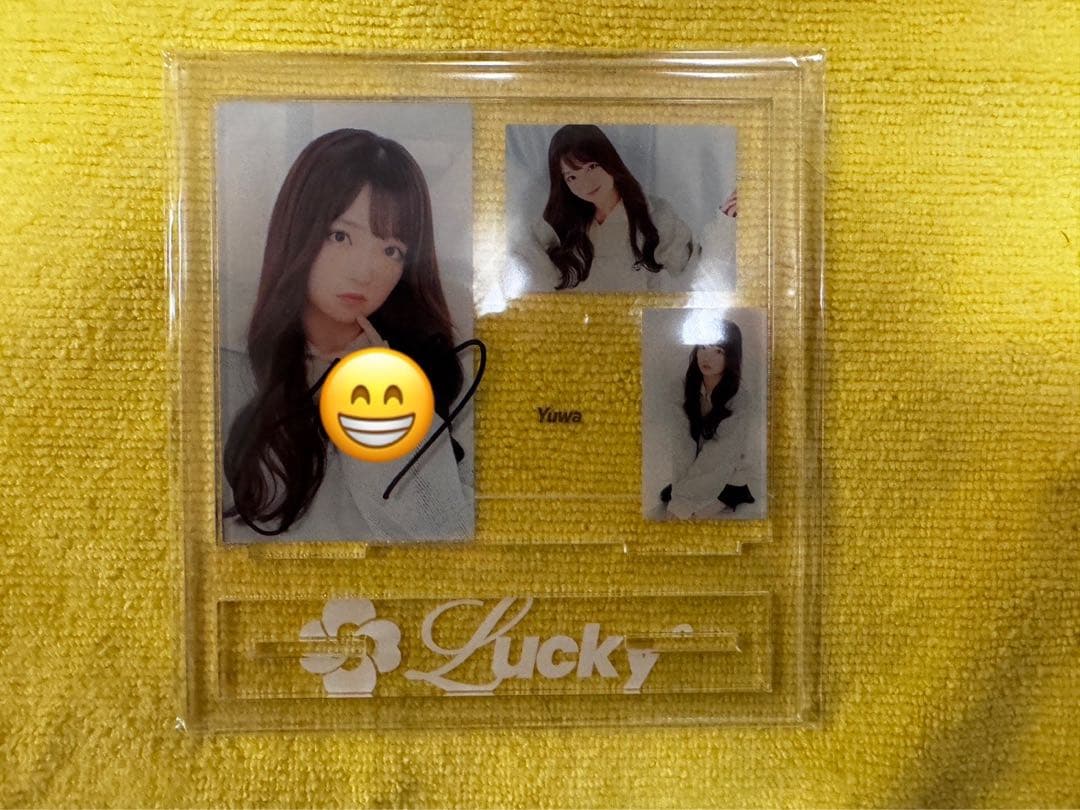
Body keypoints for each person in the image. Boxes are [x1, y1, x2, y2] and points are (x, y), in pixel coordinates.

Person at [220, 128, 472, 542]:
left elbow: (445, 535)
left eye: (391, 250)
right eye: (340, 236)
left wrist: (380, 391)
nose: (364, 272)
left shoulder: (443, 370)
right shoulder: (224, 366)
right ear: (298, 231)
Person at [514, 125, 697, 292]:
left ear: (608, 160)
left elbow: (691, 276)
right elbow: (525, 268)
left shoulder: (657, 215)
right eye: (572, 177)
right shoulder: (558, 225)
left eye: (592, 167)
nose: (586, 184)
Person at [661, 320, 764, 519]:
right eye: (703, 347)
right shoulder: (681, 388)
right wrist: (681, 494)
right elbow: (681, 444)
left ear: (731, 356)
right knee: (676, 507)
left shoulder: (740, 398)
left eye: (718, 351)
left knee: (694, 517)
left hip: (728, 469)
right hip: (697, 469)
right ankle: (688, 489)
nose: (707, 357)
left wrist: (683, 498)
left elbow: (722, 453)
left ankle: (734, 494)